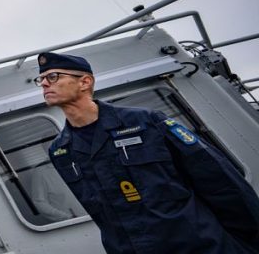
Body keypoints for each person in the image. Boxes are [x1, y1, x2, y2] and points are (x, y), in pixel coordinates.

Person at [38, 51, 259, 254]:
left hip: (200, 246)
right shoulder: (61, 151)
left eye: (54, 76)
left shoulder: (146, 122)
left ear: (85, 82)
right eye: (42, 79)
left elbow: (221, 184)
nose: (45, 84)